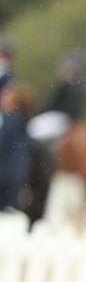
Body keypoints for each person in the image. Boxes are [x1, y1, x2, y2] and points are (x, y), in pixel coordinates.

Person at [0, 82, 37, 213]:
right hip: (16, 174)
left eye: (5, 95)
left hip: (6, 175)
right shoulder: (21, 119)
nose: (2, 98)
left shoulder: (10, 120)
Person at [46, 50, 86, 121]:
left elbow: (53, 103)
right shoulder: (79, 85)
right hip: (73, 118)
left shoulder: (64, 86)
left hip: (59, 117)